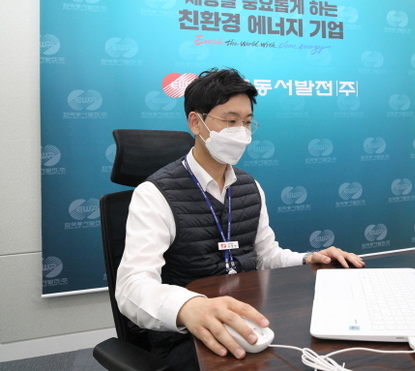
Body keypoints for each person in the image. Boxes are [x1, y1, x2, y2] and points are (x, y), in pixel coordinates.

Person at [116, 67, 365, 369]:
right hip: (189, 334)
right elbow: (132, 286)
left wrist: (309, 259)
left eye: (247, 122)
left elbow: (265, 256)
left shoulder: (249, 186)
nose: (241, 132)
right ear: (196, 122)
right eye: (230, 121)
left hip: (251, 317)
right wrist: (188, 307)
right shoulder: (155, 194)